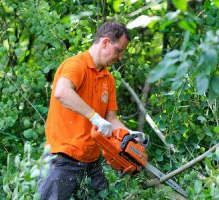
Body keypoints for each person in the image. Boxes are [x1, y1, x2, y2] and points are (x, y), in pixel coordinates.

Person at [38, 21, 144, 200]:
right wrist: (94, 117)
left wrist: (129, 134)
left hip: (91, 161)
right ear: (105, 43)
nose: (120, 57)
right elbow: (62, 92)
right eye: (119, 51)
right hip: (63, 157)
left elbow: (111, 119)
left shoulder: (108, 79)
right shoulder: (76, 65)